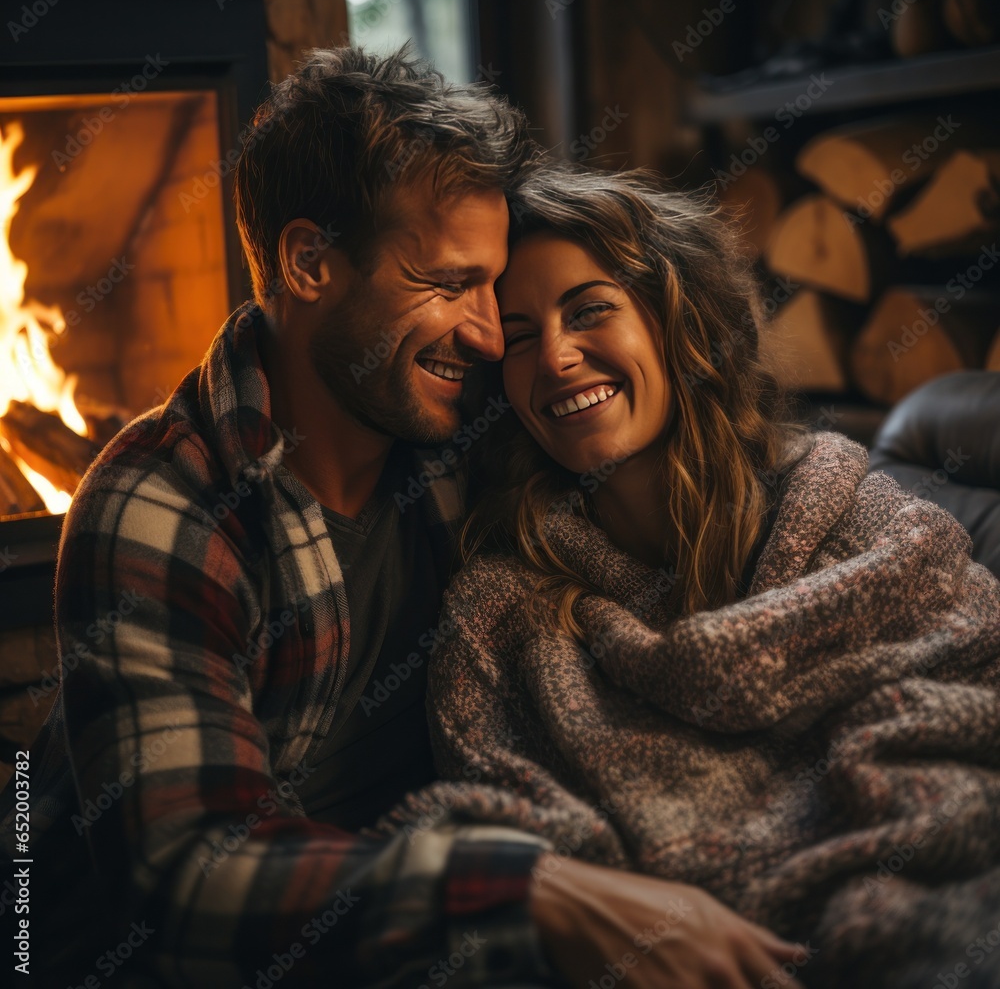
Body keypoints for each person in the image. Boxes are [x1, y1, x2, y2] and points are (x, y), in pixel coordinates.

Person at [0, 48, 806, 989]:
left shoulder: (468, 425)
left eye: (489, 286)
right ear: (309, 262)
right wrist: (526, 890)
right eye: (445, 282)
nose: (483, 328)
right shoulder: (163, 502)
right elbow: (188, 880)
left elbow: (670, 431)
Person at [373, 165, 1000, 989]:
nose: (556, 357)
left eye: (590, 309)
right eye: (519, 335)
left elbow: (972, 723)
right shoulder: (502, 619)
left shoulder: (871, 529)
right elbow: (500, 838)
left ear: (677, 322)